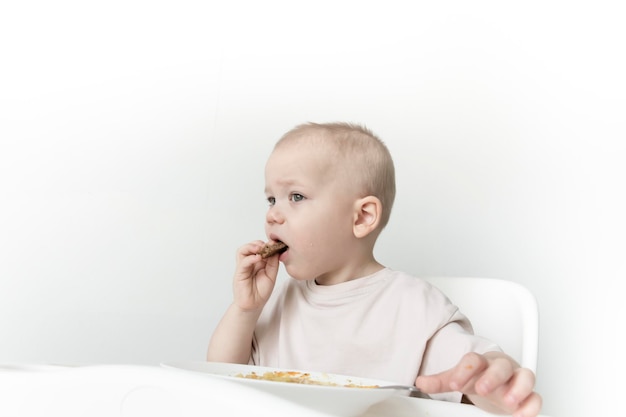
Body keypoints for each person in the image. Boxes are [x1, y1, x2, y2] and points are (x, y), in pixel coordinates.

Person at [207, 122, 542, 416]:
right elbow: (219, 378)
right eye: (271, 199)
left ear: (362, 217)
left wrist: (500, 384)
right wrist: (245, 309)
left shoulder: (411, 307)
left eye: (295, 196)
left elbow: (475, 376)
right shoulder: (280, 302)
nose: (273, 214)